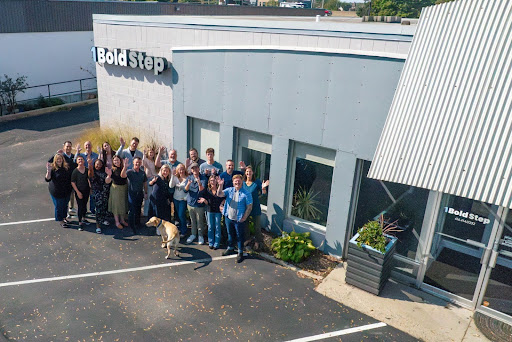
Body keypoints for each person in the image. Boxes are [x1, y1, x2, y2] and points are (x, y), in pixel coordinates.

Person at [217, 174, 253, 263]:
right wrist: (220, 185)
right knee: (230, 233)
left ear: (242, 182)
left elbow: (250, 206)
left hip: (239, 219)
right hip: (229, 217)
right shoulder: (230, 190)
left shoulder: (246, 193)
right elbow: (219, 194)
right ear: (233, 182)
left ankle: (240, 252)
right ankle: (230, 248)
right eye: (235, 181)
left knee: (239, 236)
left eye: (239, 181)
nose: (237, 182)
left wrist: (244, 217)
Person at [242, 166, 269, 251]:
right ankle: (247, 239)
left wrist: (264, 188)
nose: (248, 173)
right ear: (245, 173)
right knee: (245, 225)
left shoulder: (256, 182)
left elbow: (263, 194)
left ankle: (258, 242)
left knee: (257, 226)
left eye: (250, 171)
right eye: (247, 172)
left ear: (253, 172)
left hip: (255, 207)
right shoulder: (243, 183)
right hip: (245, 207)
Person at [49, 141, 77, 217]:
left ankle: (71, 208)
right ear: (64, 147)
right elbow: (50, 161)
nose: (68, 148)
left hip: (71, 180)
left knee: (70, 195)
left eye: (70, 146)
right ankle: (65, 213)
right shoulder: (61, 156)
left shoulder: (73, 156)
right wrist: (56, 153)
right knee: (62, 200)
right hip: (61, 184)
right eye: (67, 146)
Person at [45, 153, 72, 228]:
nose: (59, 160)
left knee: (65, 205)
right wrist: (48, 171)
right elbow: (47, 179)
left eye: (60, 159)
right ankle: (61, 220)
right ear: (55, 160)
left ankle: (64, 217)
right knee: (59, 206)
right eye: (57, 159)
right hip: (56, 192)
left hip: (66, 191)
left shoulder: (66, 167)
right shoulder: (53, 169)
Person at [198, 176, 225, 250]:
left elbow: (224, 198)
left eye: (214, 180)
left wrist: (222, 204)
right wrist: (204, 200)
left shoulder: (220, 189)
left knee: (217, 227)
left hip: (218, 211)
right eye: (211, 181)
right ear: (209, 182)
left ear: (216, 181)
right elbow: (205, 200)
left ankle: (217, 243)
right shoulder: (207, 190)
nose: (212, 182)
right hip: (210, 210)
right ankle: (211, 242)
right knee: (210, 226)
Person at [184, 162, 207, 244]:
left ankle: (200, 236)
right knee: (192, 221)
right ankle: (193, 234)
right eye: (193, 168)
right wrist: (188, 184)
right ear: (191, 170)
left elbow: (202, 190)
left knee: (200, 221)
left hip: (199, 204)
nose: (195, 170)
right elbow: (185, 190)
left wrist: (199, 182)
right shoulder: (189, 178)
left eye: (196, 168)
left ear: (198, 169)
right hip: (190, 203)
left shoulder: (203, 178)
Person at [156, 146, 180, 223]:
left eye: (174, 154)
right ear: (169, 155)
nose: (172, 156)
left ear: (176, 156)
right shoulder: (165, 162)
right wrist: (159, 153)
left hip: (175, 191)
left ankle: (176, 223)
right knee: (166, 209)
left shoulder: (179, 164)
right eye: (171, 154)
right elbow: (157, 164)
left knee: (176, 208)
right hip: (166, 191)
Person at [88, 158, 111, 234]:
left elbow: (107, 181)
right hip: (97, 192)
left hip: (105, 191)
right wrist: (90, 165)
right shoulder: (92, 172)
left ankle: (103, 219)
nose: (99, 166)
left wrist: (108, 175)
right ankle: (98, 225)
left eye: (100, 164)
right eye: (97, 164)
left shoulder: (104, 172)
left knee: (104, 206)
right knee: (98, 208)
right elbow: (90, 175)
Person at [75, 141, 99, 215]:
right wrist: (77, 152)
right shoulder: (81, 155)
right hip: (83, 178)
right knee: (84, 195)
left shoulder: (96, 155)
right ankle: (83, 212)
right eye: (86, 145)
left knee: (92, 194)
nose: (87, 146)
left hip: (93, 177)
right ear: (84, 147)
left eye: (89, 145)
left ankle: (92, 210)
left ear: (91, 146)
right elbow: (75, 161)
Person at [126, 157, 148, 234]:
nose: (138, 164)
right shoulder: (129, 172)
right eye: (136, 162)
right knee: (132, 211)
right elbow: (122, 176)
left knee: (138, 210)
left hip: (140, 194)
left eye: (139, 162)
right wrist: (125, 167)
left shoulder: (142, 173)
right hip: (132, 194)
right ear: (133, 163)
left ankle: (138, 224)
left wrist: (145, 192)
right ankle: (132, 226)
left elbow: (145, 183)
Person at [149, 164, 172, 234]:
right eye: (164, 171)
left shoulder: (167, 179)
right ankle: (158, 228)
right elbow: (150, 183)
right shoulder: (157, 177)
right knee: (157, 214)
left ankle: (164, 227)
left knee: (164, 214)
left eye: (167, 171)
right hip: (156, 199)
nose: (165, 172)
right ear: (161, 171)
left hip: (164, 199)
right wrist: (152, 181)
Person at [108, 155, 129, 229]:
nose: (116, 162)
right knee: (116, 205)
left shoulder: (122, 168)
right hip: (116, 188)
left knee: (122, 204)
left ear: (120, 160)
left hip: (124, 188)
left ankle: (122, 220)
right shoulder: (112, 170)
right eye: (115, 160)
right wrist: (108, 175)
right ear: (113, 162)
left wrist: (125, 167)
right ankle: (117, 222)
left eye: (117, 160)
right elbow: (121, 175)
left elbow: (124, 177)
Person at [71, 155, 91, 231]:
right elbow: (73, 182)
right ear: (77, 161)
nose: (80, 161)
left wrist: (90, 188)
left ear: (84, 161)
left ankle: (84, 218)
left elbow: (89, 178)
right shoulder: (75, 171)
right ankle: (79, 223)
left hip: (86, 190)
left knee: (85, 205)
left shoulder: (86, 170)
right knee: (80, 206)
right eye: (79, 160)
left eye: (82, 159)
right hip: (79, 191)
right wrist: (78, 192)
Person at [169, 163, 189, 237]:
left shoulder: (187, 178)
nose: (181, 171)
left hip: (183, 200)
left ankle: (184, 231)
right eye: (180, 169)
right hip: (176, 199)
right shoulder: (175, 177)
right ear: (177, 170)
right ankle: (180, 229)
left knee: (181, 215)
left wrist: (186, 198)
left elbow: (189, 190)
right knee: (178, 215)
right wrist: (172, 176)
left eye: (182, 169)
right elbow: (171, 186)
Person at [143, 146, 158, 217]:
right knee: (148, 197)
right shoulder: (146, 160)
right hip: (148, 179)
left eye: (152, 152)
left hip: (154, 179)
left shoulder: (154, 161)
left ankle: (153, 213)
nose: (151, 154)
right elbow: (143, 162)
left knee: (154, 197)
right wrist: (143, 154)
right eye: (150, 152)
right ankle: (146, 213)